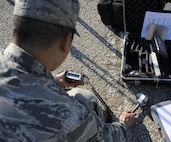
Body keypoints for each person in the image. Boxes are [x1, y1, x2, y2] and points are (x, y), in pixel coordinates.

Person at [0, 0, 136, 141]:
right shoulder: (68, 114)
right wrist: (122, 125)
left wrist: (54, 82)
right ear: (66, 42)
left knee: (83, 97)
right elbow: (108, 138)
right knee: (87, 100)